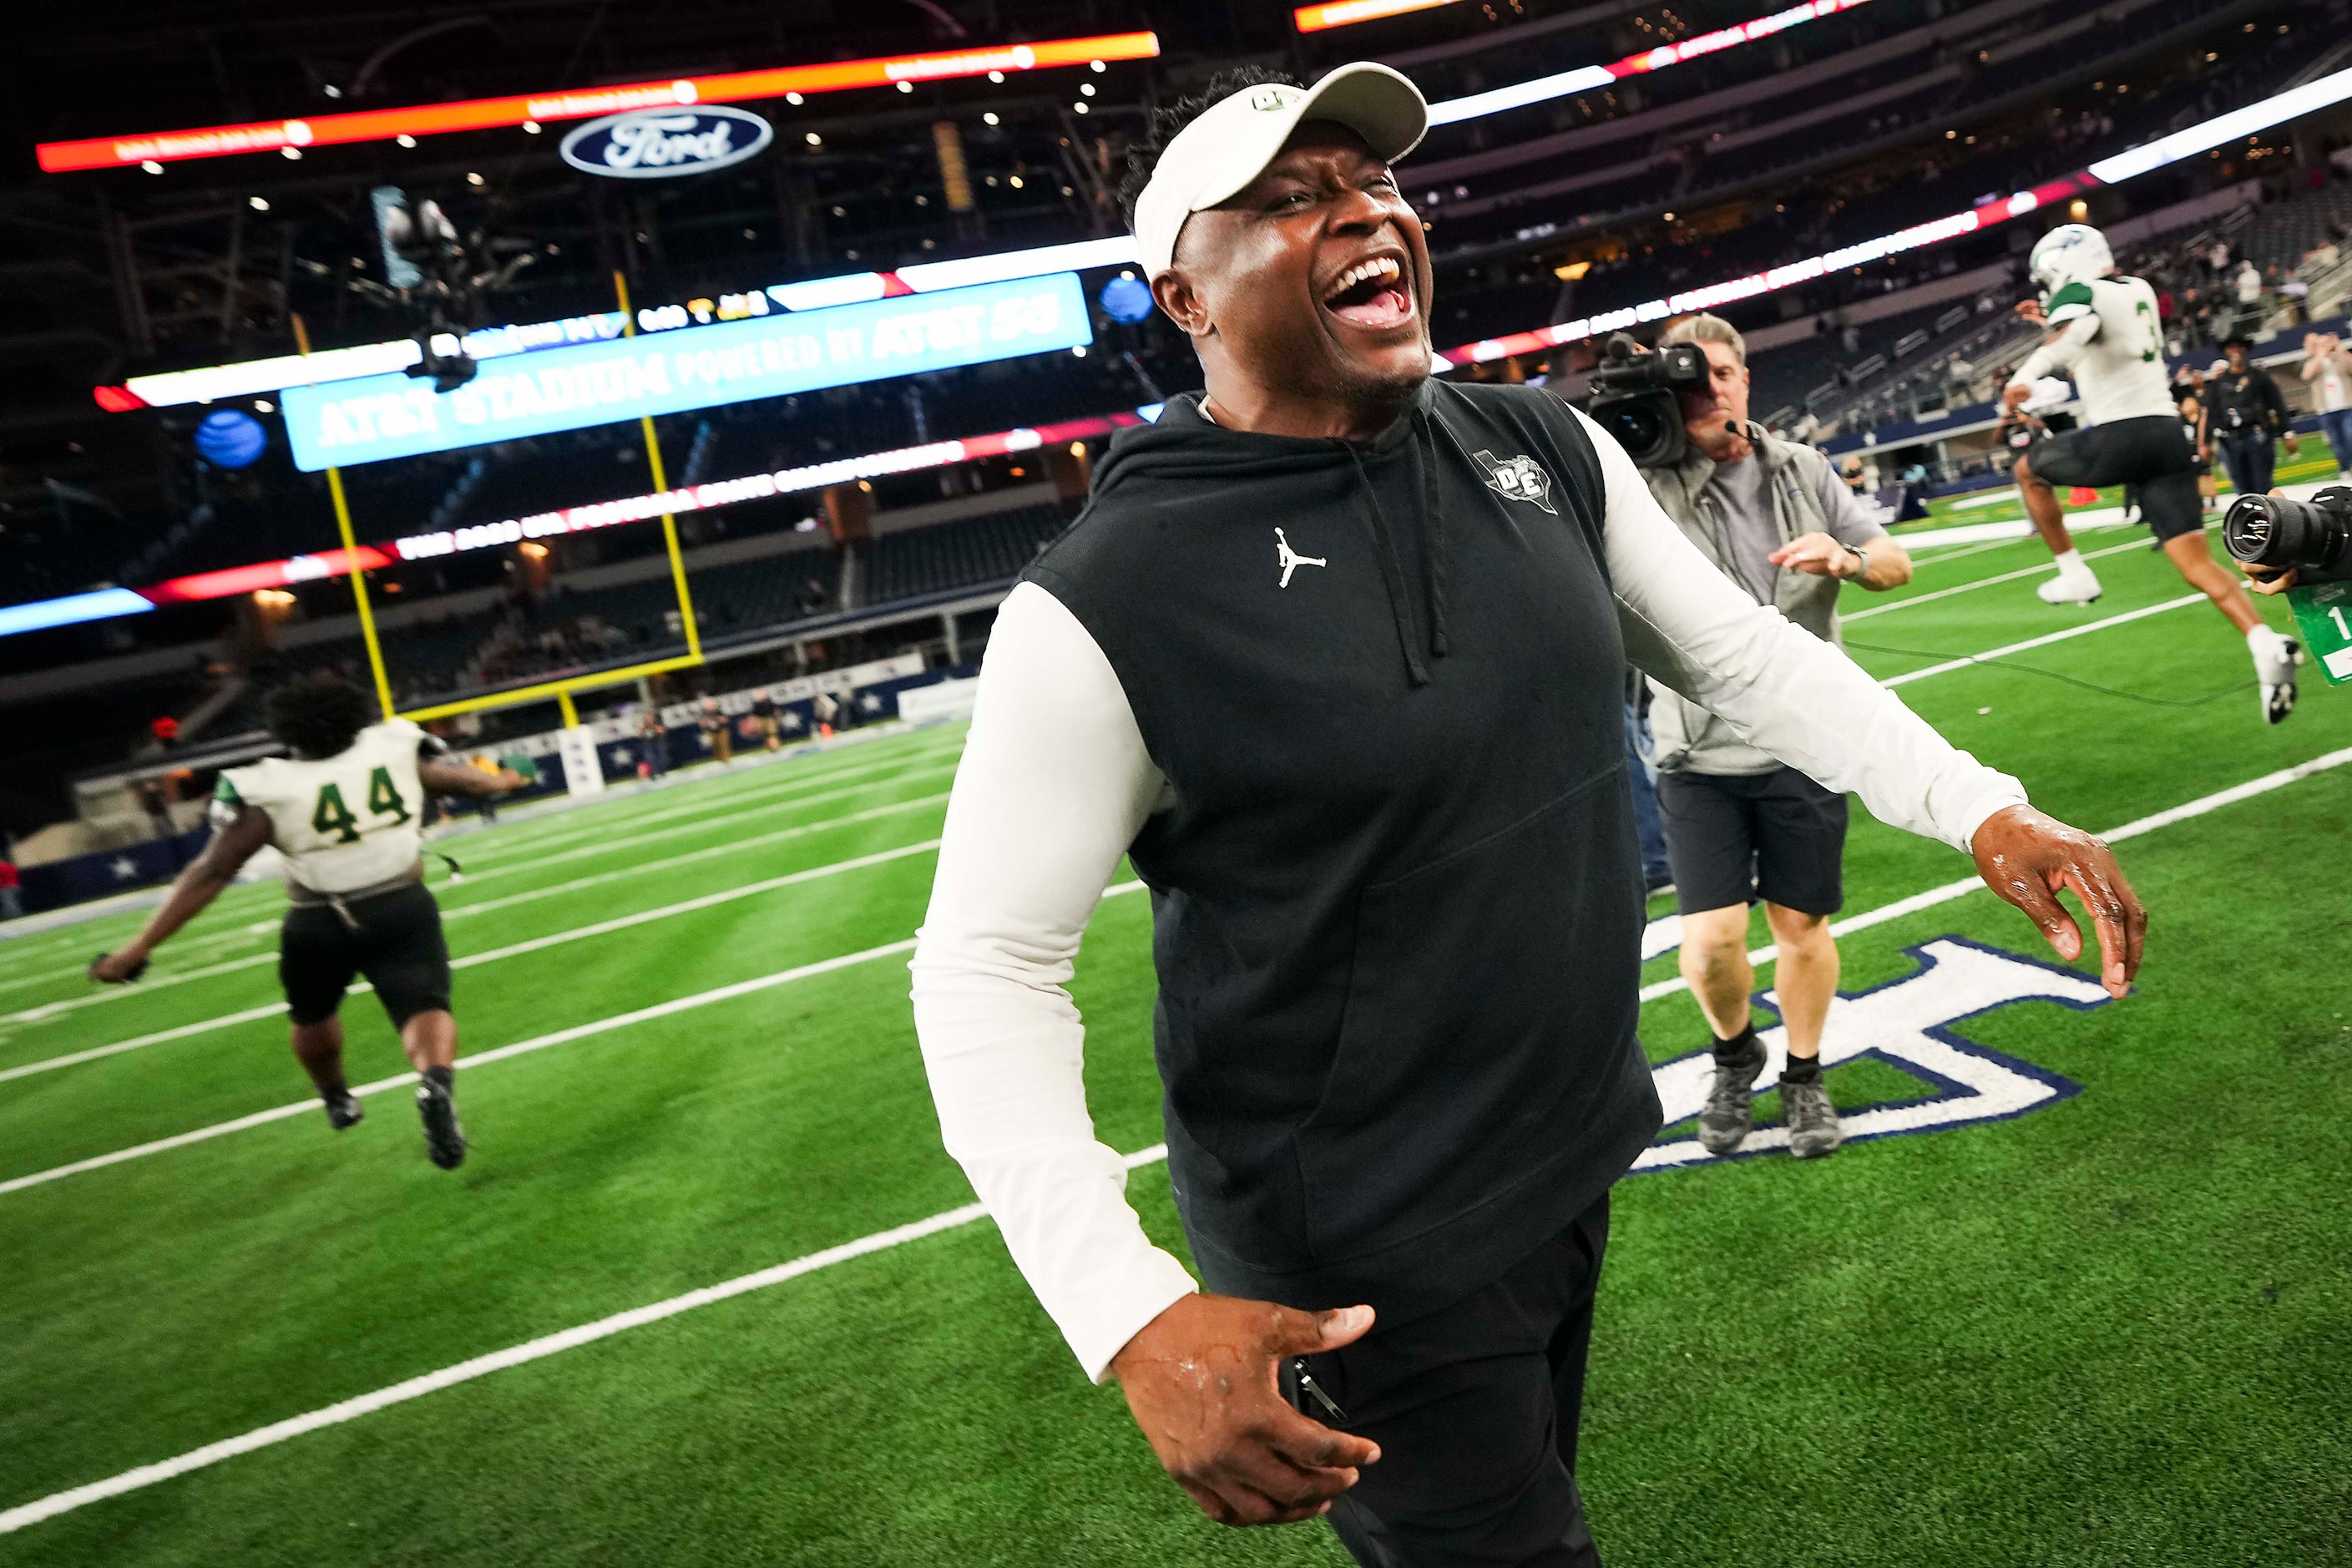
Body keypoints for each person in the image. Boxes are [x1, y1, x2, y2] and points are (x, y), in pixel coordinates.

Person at [910, 63, 2144, 1565]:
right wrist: (1123, 1308)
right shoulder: (1104, 600)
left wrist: (1978, 807)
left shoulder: (1541, 447)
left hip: (1566, 1152)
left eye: (1371, 185)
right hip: (1359, 1252)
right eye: (1289, 199)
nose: (1361, 212)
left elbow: (1742, 657)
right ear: (1186, 300)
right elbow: (984, 968)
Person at [1639, 312, 1917, 1161]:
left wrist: (1847, 559)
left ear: (1746, 380)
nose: (1708, 391)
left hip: (1804, 739)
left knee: (1802, 926)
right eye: (1687, 380)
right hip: (1694, 750)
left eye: (1720, 373)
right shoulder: (1641, 484)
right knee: (1712, 939)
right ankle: (1734, 1053)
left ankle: (1803, 1074)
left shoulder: (1801, 467)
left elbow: (1895, 562)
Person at [89, 675, 522, 1169]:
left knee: (312, 1015)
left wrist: (138, 947)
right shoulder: (394, 747)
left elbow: (213, 870)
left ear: (286, 731)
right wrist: (506, 780)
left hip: (320, 922)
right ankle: (435, 1082)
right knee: (423, 1004)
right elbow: (460, 780)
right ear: (356, 716)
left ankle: (337, 1098)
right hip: (402, 905)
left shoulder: (269, 785)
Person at [2003, 226, 2302, 723]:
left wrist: (2023, 376)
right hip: (2166, 435)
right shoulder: (2137, 290)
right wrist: (2052, 325)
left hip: (2124, 434)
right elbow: (2093, 344)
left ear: (2065, 265)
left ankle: (2075, 575)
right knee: (2196, 563)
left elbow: (2074, 333)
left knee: (2027, 471)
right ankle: (2265, 643)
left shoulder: (2083, 294)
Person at [2206, 336, 2294, 502]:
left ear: (2245, 350)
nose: (2235, 352)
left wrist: (2287, 432)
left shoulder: (2259, 377)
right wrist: (2206, 441)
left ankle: (2269, 518)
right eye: (2231, 348)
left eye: (2239, 347)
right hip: (2231, 439)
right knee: (2241, 485)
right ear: (2226, 352)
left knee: (2262, 484)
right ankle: (2250, 519)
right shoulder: (2219, 383)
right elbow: (2212, 412)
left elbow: (2278, 405)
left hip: (2258, 435)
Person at [2300, 330, 2352, 478]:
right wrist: (2320, 355)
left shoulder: (2339, 358)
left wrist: (2340, 348)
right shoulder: (2313, 362)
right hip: (2325, 409)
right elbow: (2307, 375)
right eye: (2320, 344)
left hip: (2346, 406)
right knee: (2336, 441)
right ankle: (2344, 467)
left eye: (2325, 344)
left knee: (2350, 436)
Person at [699, 695, 732, 763]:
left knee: (724, 745)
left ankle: (726, 759)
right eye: (707, 704)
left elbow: (725, 719)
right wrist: (706, 721)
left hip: (721, 730)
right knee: (715, 747)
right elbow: (701, 723)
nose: (709, 705)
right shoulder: (704, 713)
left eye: (709, 703)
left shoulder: (718, 710)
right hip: (711, 732)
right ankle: (719, 760)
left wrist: (718, 719)